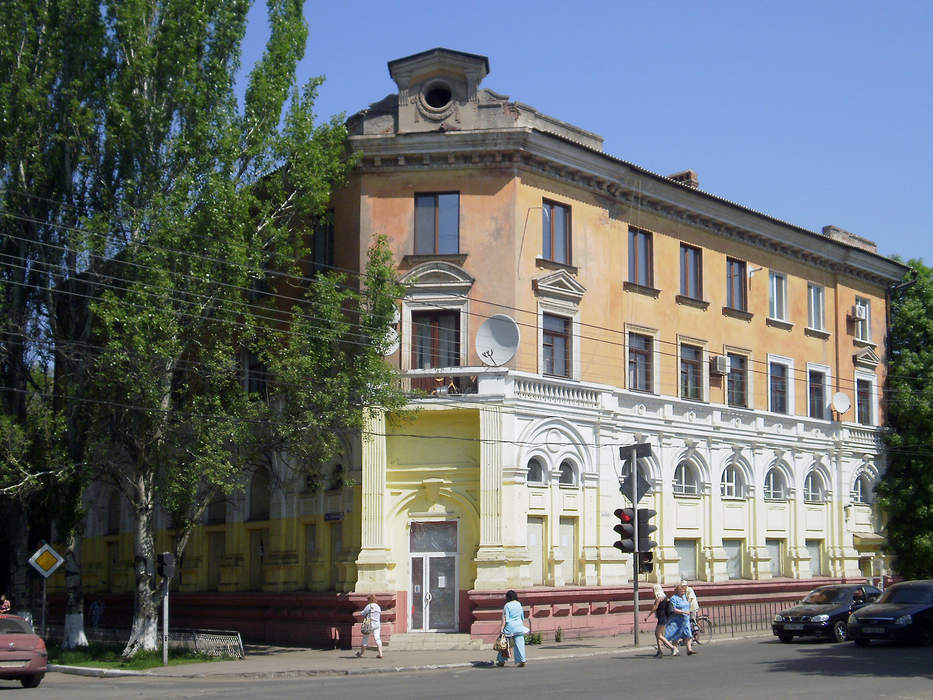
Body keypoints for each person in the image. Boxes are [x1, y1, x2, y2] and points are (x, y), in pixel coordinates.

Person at [496, 589, 529, 667]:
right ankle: (522, 660)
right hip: (519, 626)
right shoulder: (519, 604)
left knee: (504, 644)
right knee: (520, 644)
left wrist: (502, 629)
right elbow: (522, 617)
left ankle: (501, 661)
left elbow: (505, 618)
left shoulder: (507, 605)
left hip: (509, 627)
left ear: (508, 597)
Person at [645, 584, 677, 657]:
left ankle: (672, 647)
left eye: (653, 590)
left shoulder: (659, 598)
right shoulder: (665, 597)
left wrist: (648, 616)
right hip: (663, 617)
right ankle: (660, 651)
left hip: (662, 618)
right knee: (657, 634)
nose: (652, 591)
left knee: (658, 634)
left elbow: (655, 607)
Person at [665, 583, 698, 655]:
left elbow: (687, 605)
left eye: (683, 591)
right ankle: (674, 649)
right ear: (677, 591)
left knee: (688, 634)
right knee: (676, 635)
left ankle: (689, 649)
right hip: (677, 620)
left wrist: (688, 612)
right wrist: (683, 612)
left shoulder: (684, 597)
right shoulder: (674, 598)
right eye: (681, 591)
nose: (682, 592)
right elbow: (673, 609)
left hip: (685, 619)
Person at [355, 594, 383, 659]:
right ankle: (380, 653)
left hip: (369, 624)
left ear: (369, 600)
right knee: (377, 638)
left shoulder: (369, 606)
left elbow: (363, 613)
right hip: (377, 624)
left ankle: (361, 654)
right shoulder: (378, 606)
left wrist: (362, 613)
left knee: (365, 638)